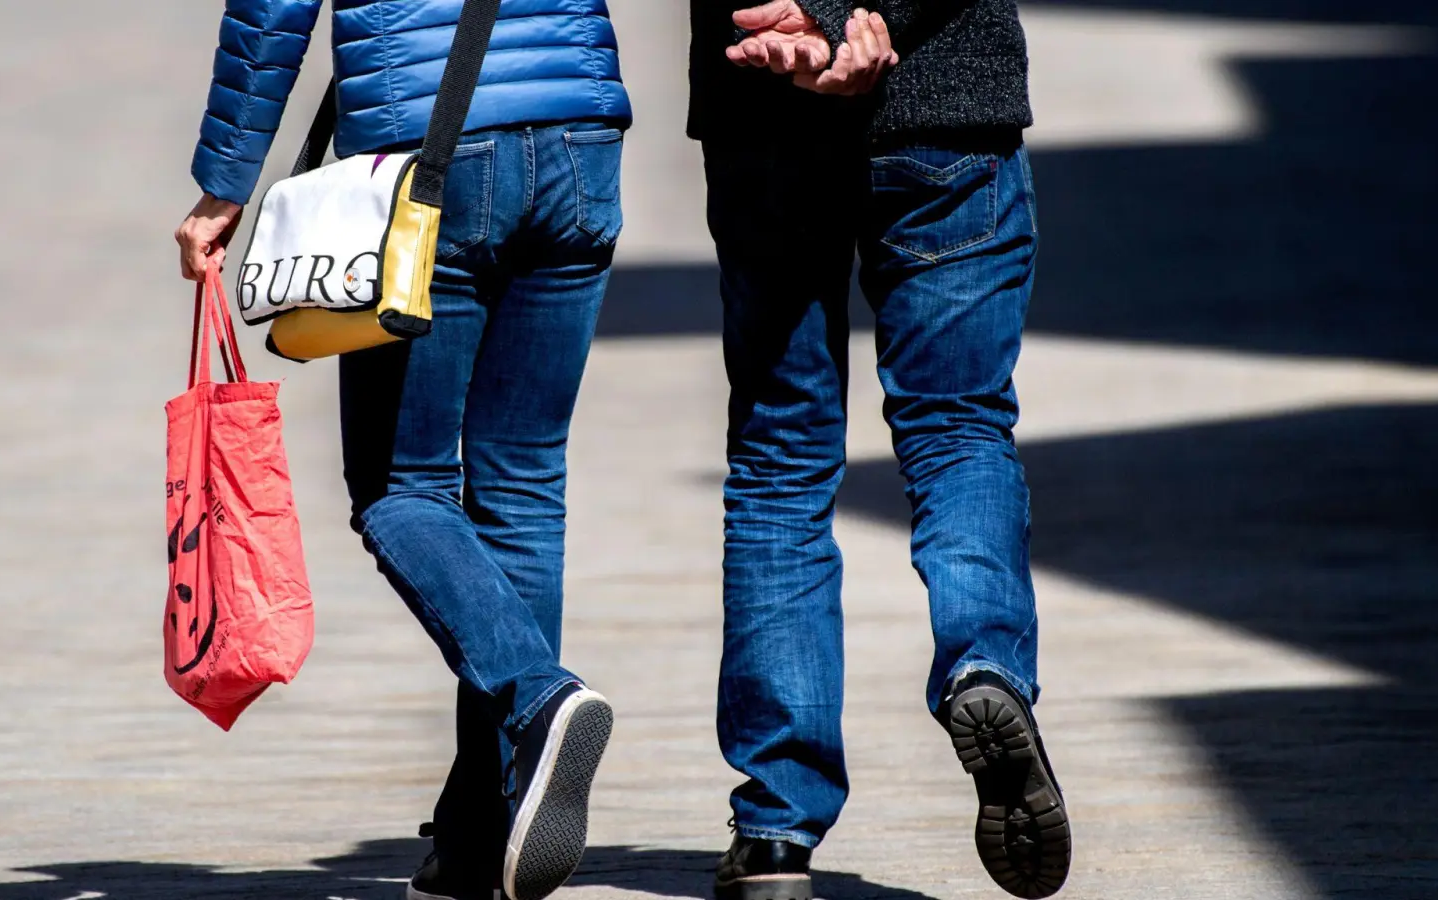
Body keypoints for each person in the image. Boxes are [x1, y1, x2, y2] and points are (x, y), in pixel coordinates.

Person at [173, 3, 630, 899]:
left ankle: (539, 695)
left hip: (433, 153)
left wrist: (224, 182)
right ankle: (479, 829)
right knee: (524, 486)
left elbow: (273, 10)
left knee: (400, 488)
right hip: (583, 133)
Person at [690, 1, 1072, 897]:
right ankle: (985, 662)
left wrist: (803, 26)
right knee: (959, 428)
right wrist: (848, 20)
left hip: (764, 117)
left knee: (780, 465)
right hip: (942, 107)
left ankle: (778, 825)